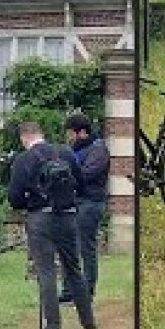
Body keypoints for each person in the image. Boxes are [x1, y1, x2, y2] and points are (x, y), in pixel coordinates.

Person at [8, 121, 96, 329]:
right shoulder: (65, 152)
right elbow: (82, 185)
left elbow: (14, 199)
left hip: (40, 219)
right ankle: (88, 322)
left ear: (24, 138)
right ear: (42, 134)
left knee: (46, 272)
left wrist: (29, 203)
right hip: (67, 217)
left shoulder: (23, 160)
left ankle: (53, 327)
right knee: (74, 269)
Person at [59, 112, 109, 302]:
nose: (69, 137)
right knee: (68, 246)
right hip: (75, 201)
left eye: (71, 133)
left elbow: (86, 174)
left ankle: (87, 290)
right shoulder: (75, 149)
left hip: (90, 202)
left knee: (85, 247)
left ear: (81, 132)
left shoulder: (98, 149)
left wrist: (68, 176)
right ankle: (69, 290)